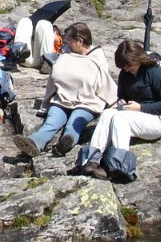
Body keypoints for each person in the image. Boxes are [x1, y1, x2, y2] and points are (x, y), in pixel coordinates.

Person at [13, 22, 117, 158]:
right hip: (62, 100)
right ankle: (34, 143)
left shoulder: (97, 59)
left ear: (80, 41)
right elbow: (54, 78)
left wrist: (114, 104)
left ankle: (65, 144)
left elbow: (105, 85)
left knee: (75, 124)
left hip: (87, 103)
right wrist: (47, 103)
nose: (66, 44)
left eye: (69, 41)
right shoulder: (67, 54)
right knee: (51, 122)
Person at [78, 40, 161, 179]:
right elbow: (122, 96)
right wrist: (122, 102)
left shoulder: (155, 72)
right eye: (124, 67)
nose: (127, 69)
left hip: (157, 119)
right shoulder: (125, 74)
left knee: (120, 118)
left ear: (138, 58)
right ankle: (91, 160)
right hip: (134, 115)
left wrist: (140, 107)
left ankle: (118, 167)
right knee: (107, 113)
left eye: (129, 65)